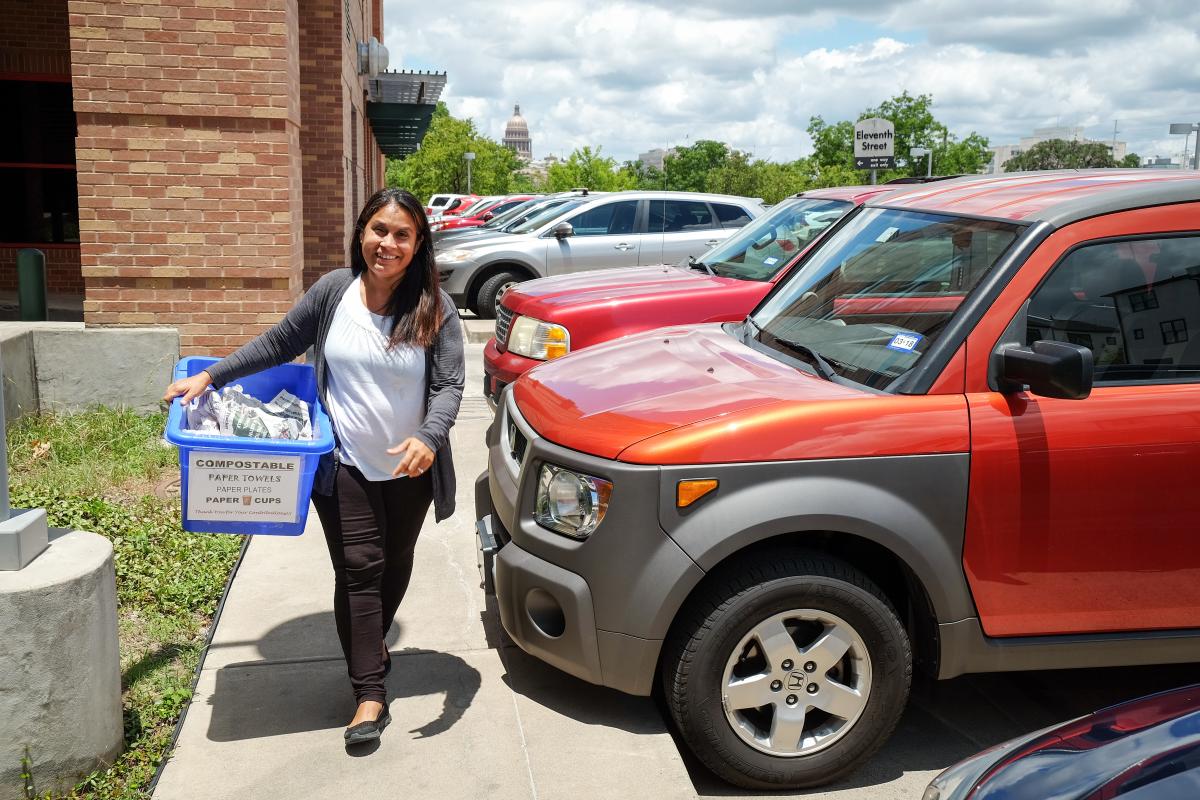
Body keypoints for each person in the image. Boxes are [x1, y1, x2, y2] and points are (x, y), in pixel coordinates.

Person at [164, 188, 465, 744]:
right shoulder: (334, 292)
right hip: (343, 462)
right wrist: (211, 376)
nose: (388, 244)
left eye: (402, 234)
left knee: (395, 562)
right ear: (361, 233)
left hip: (409, 470)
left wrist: (429, 435)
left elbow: (449, 386)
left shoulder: (434, 307)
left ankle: (369, 644)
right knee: (359, 568)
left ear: (418, 242)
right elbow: (281, 342)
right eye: (379, 230)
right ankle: (369, 694)